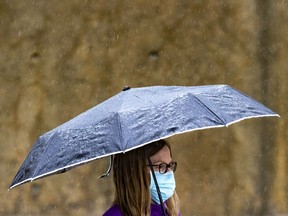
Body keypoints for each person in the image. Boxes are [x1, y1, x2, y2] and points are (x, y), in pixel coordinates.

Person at [103, 139, 180, 216]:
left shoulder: (169, 210)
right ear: (136, 171)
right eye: (161, 166)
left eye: (170, 165)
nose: (169, 172)